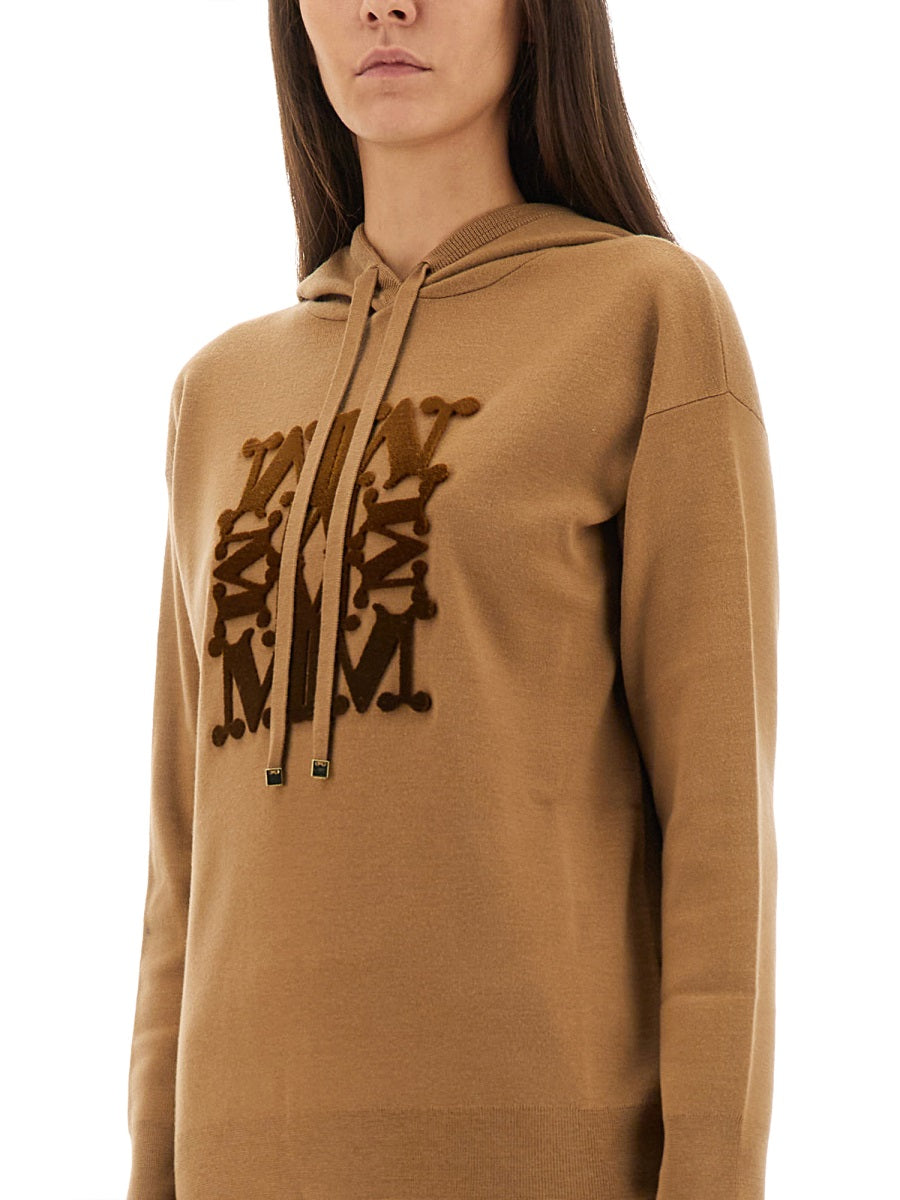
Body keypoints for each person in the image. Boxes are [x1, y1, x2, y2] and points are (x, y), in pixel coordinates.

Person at [125, 1, 779, 1198]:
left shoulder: (646, 314)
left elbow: (717, 826)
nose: (388, 6)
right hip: (239, 1162)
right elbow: (182, 853)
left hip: (543, 1156)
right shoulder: (216, 393)